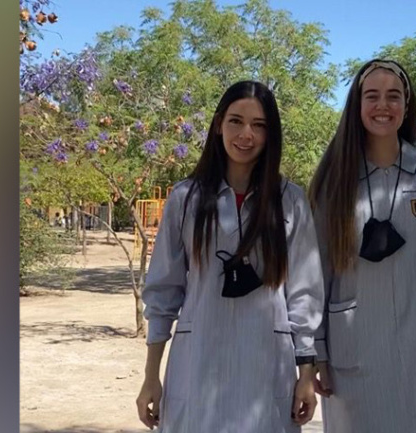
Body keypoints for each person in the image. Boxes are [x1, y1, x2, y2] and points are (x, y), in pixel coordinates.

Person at [136, 80, 324, 432]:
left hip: (268, 366)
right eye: (236, 121)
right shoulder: (185, 198)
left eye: (259, 125)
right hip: (199, 363)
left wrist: (306, 373)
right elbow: (163, 292)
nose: (246, 134)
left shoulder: (291, 200)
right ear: (219, 123)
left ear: (271, 134)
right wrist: (151, 377)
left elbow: (304, 294)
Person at [308, 59, 416, 433]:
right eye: (372, 96)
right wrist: (317, 352)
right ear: (357, 106)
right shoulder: (335, 179)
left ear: (407, 106)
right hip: (354, 349)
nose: (382, 106)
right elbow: (316, 273)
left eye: (393, 96)